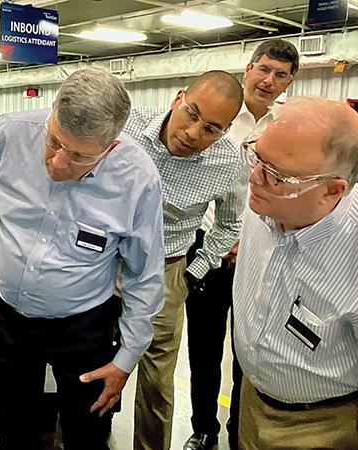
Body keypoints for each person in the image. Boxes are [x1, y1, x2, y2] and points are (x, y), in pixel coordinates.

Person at [0, 66, 165, 450]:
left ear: (110, 147)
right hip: (8, 315)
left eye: (80, 156)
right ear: (51, 112)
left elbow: (144, 275)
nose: (57, 162)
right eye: (54, 141)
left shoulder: (137, 179)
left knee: (87, 433)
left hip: (83, 326)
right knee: (15, 428)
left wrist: (126, 358)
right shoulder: (10, 133)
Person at [233, 96, 358, 450]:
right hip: (252, 403)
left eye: (276, 174)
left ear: (332, 190)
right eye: (257, 156)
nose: (255, 177)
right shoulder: (267, 199)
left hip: (326, 426)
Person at [183, 38, 299, 450]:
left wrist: (248, 240)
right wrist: (224, 240)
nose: (269, 80)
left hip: (264, 253)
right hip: (208, 250)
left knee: (250, 349)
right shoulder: (218, 117)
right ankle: (203, 429)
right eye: (263, 69)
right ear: (248, 69)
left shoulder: (288, 127)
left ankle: (238, 431)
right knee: (204, 349)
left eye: (280, 74)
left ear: (289, 81)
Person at [122, 71, 245, 450]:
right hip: (99, 264)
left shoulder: (229, 163)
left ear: (224, 131)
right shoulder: (126, 127)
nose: (194, 133)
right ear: (178, 98)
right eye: (191, 114)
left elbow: (230, 224)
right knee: (86, 364)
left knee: (157, 381)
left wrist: (193, 274)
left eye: (211, 128)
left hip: (167, 271)